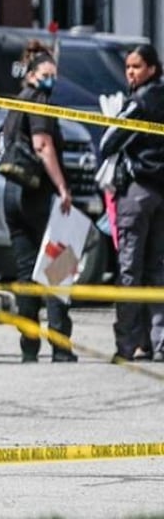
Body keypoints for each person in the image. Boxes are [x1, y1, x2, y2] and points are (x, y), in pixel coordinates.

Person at [0, 41, 76, 363]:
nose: (51, 80)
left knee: (26, 271)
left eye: (54, 75)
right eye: (45, 74)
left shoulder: (16, 101)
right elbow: (43, 145)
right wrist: (62, 188)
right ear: (31, 75)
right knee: (58, 266)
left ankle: (28, 346)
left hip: (12, 193)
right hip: (38, 194)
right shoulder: (40, 100)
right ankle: (60, 346)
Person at [99, 44, 164, 363]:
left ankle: (126, 345)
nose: (130, 73)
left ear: (152, 68)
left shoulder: (139, 101)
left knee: (129, 270)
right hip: (161, 194)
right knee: (157, 269)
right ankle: (157, 342)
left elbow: (109, 142)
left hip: (137, 192)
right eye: (127, 67)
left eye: (136, 67)